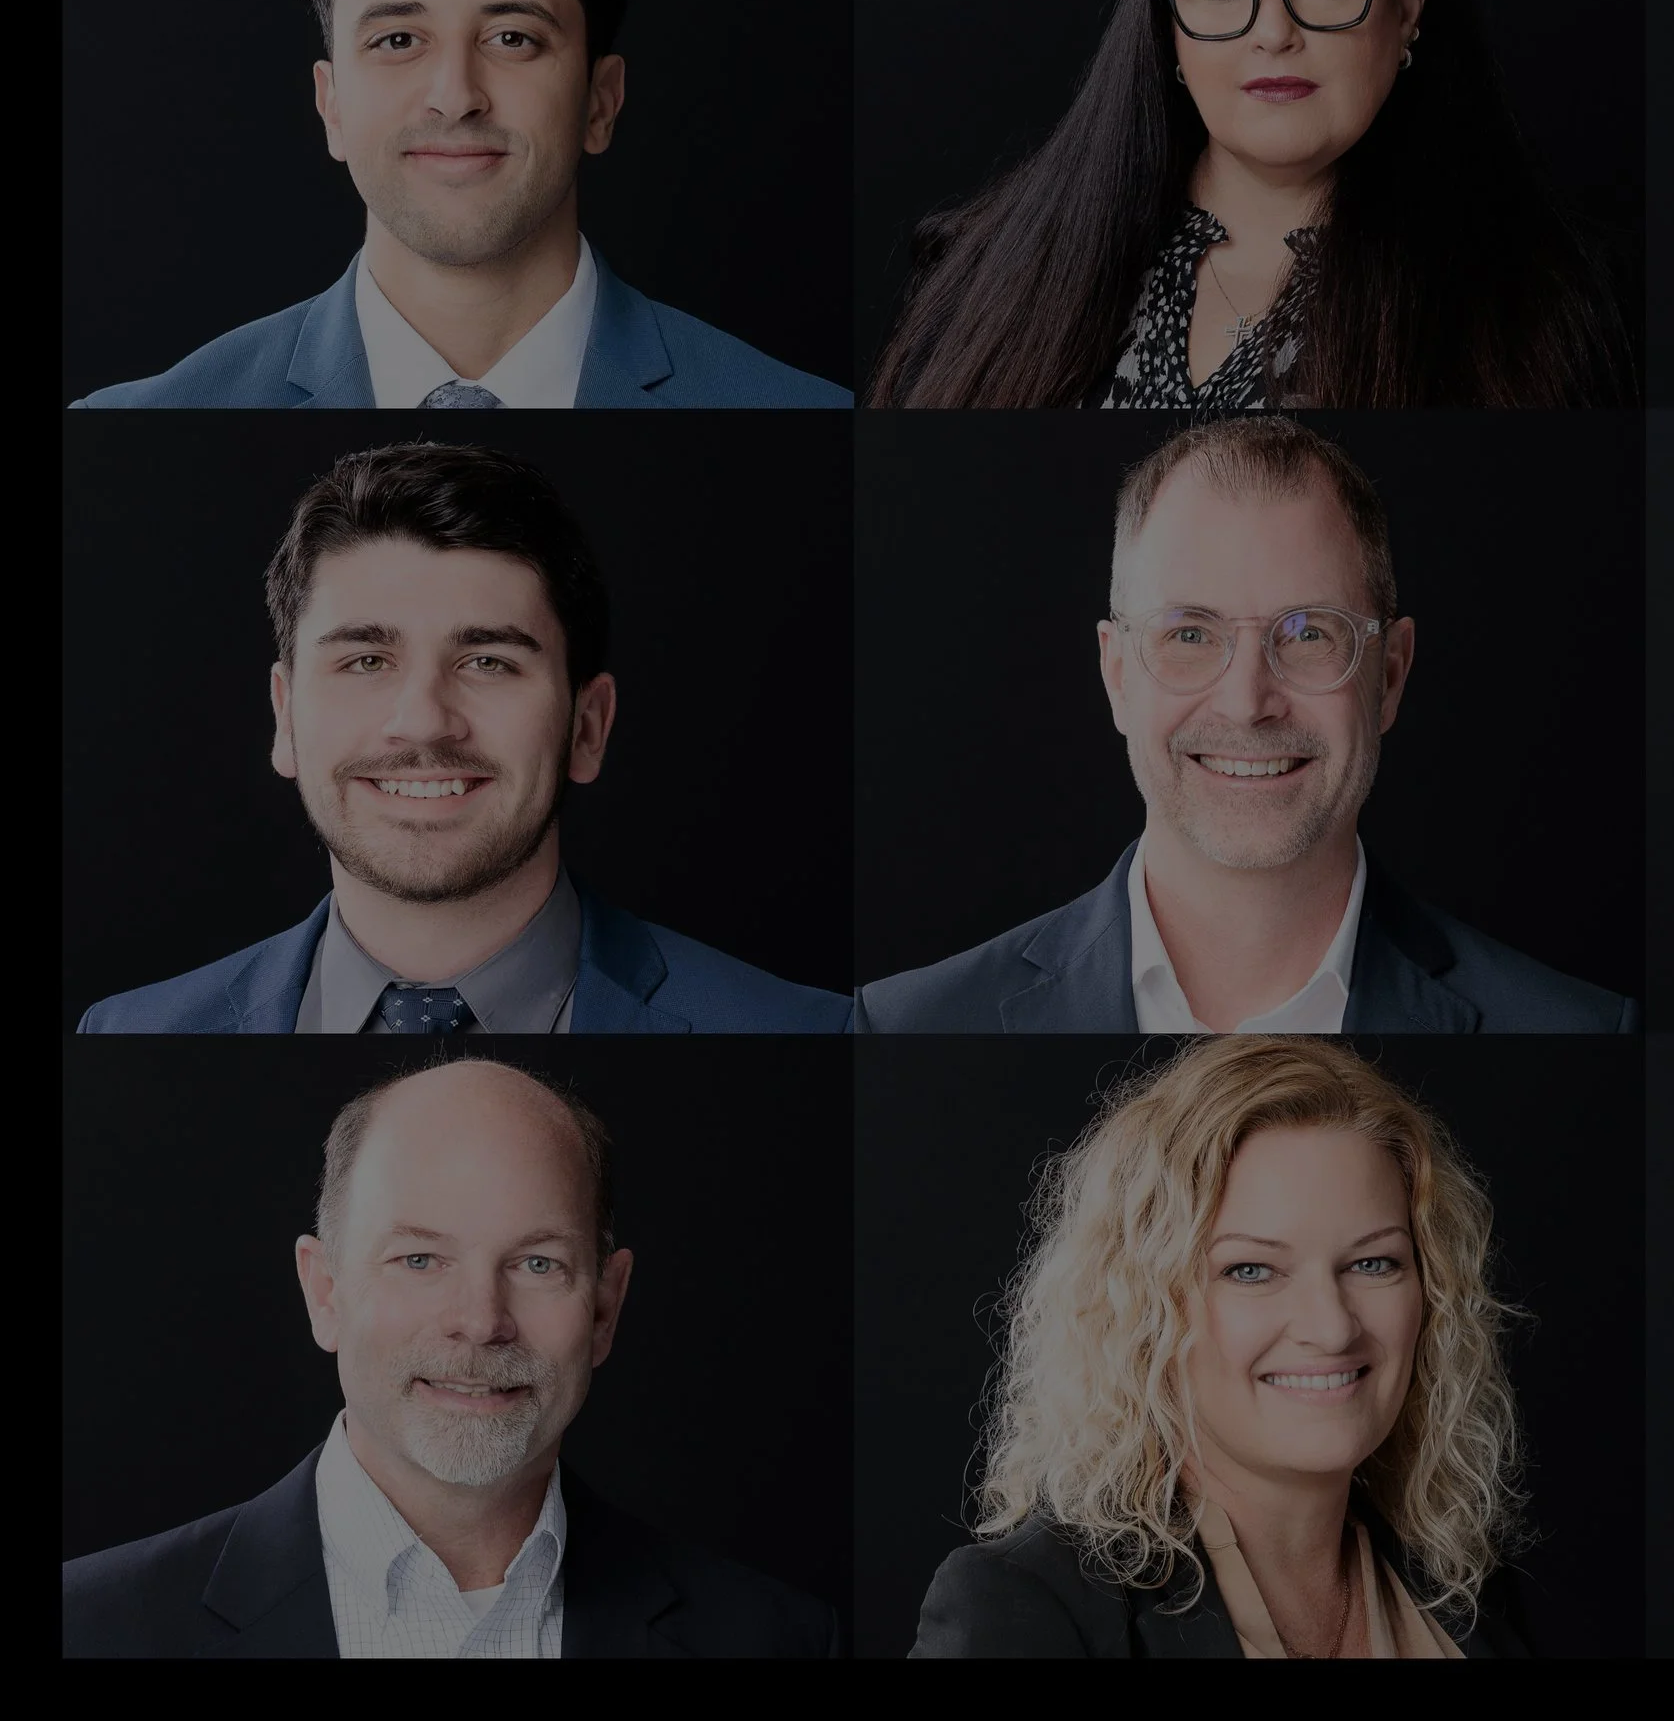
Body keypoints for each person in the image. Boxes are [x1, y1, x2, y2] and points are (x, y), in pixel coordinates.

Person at [854, 418, 1634, 1032]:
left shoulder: (1583, 1027)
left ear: (1390, 675)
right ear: (1117, 673)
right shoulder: (903, 1024)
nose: (1247, 701)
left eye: (1310, 633)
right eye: (1191, 634)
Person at [62, 1058, 835, 1658]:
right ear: (324, 1291)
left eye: (538, 1264)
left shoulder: (780, 1640)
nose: (480, 1322)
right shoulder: (89, 1627)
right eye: (420, 1260)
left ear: (605, 1308)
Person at [73, 0, 844, 410]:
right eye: (397, 40)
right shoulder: (143, 414)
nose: (456, 95)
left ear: (601, 103)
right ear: (331, 104)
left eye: (513, 38)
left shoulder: (805, 409)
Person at [870, 0, 1628, 408]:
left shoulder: (1535, 309)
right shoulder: (987, 271)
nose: (1273, 32)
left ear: (1406, 6)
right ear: (1166, 23)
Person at [78, 443, 846, 1033]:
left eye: (487, 662)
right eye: (366, 660)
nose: (423, 721)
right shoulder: (125, 1031)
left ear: (588, 726)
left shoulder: (805, 1028)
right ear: (285, 717)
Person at [913, 1034, 1531, 1657]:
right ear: (1145, 1308)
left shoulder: (1470, 1591)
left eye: (1373, 1263)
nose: (1333, 1328)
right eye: (1251, 1270)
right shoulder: (1023, 1606)